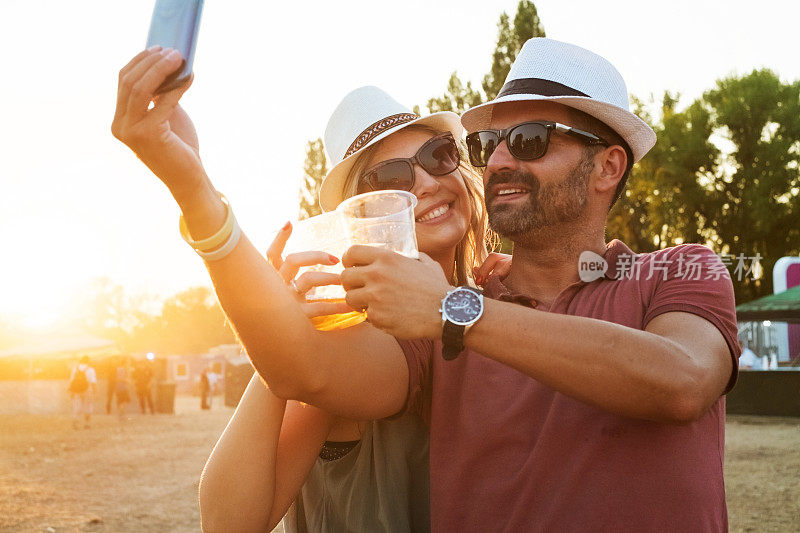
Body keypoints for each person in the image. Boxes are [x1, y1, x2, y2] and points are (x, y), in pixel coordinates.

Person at [334, 38, 742, 531]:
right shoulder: (435, 316)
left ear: (608, 167)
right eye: (489, 144)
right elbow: (307, 374)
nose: (499, 161)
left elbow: (685, 382)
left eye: (530, 139)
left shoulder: (680, 271)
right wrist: (217, 233)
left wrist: (456, 310)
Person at [112, 48, 494, 531]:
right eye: (391, 177)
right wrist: (279, 333)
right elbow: (230, 522)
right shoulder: (350, 334)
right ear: (358, 217)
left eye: (438, 156)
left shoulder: (492, 299)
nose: (423, 183)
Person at [68, 355, 97, 429]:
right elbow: (93, 382)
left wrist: (71, 391)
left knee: (77, 406)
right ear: (88, 361)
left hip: (77, 390)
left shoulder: (75, 369)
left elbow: (71, 380)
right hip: (87, 389)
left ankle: (75, 420)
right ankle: (87, 424)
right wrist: (95, 392)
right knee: (88, 406)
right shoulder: (91, 370)